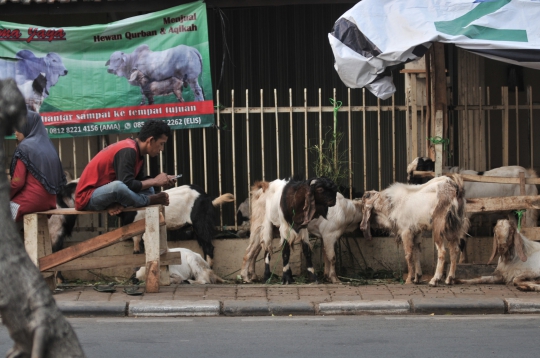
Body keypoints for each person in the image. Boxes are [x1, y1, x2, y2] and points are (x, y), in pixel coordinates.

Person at [75, 119, 175, 215]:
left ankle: (118, 204)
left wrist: (163, 181)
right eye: (161, 144)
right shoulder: (128, 150)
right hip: (87, 198)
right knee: (118, 186)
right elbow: (127, 184)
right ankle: (147, 200)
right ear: (151, 140)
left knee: (149, 190)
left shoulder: (139, 154)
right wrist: (155, 181)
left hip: (108, 195)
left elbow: (137, 183)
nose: (162, 149)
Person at [10, 106, 67, 223]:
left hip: (29, 201)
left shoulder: (25, 147)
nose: (15, 132)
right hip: (49, 202)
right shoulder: (49, 147)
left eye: (18, 128)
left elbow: (17, 182)